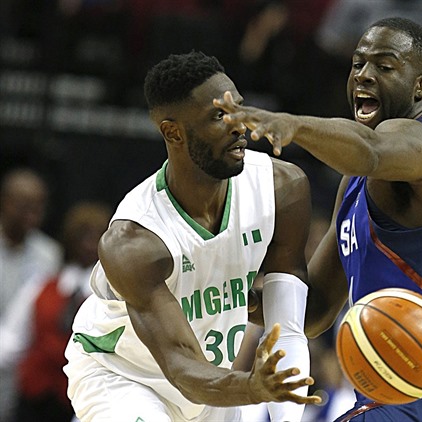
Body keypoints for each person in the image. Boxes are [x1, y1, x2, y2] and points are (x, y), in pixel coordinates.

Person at [214, 16, 422, 421]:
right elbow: (315, 309)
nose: (364, 76)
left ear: (421, 86)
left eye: (384, 67)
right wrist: (232, 295)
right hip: (390, 391)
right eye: (357, 64)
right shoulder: (354, 182)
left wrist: (293, 125)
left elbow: (369, 149)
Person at [63, 51, 321, 422]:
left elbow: (288, 331)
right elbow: (181, 364)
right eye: (219, 115)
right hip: (125, 377)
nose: (240, 126)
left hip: (215, 383)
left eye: (239, 109)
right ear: (173, 132)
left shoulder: (283, 189)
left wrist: (282, 412)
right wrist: (251, 388)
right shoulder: (135, 241)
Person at [0, 201, 112, 422]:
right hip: (33, 401)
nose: (88, 245)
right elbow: (10, 341)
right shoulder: (43, 286)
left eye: (95, 237)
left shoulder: (111, 298)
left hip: (81, 404)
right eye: (83, 236)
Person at [0, 167, 63, 421]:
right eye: (24, 205)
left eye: (38, 206)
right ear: (5, 202)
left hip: (23, 373)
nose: (32, 214)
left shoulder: (49, 254)